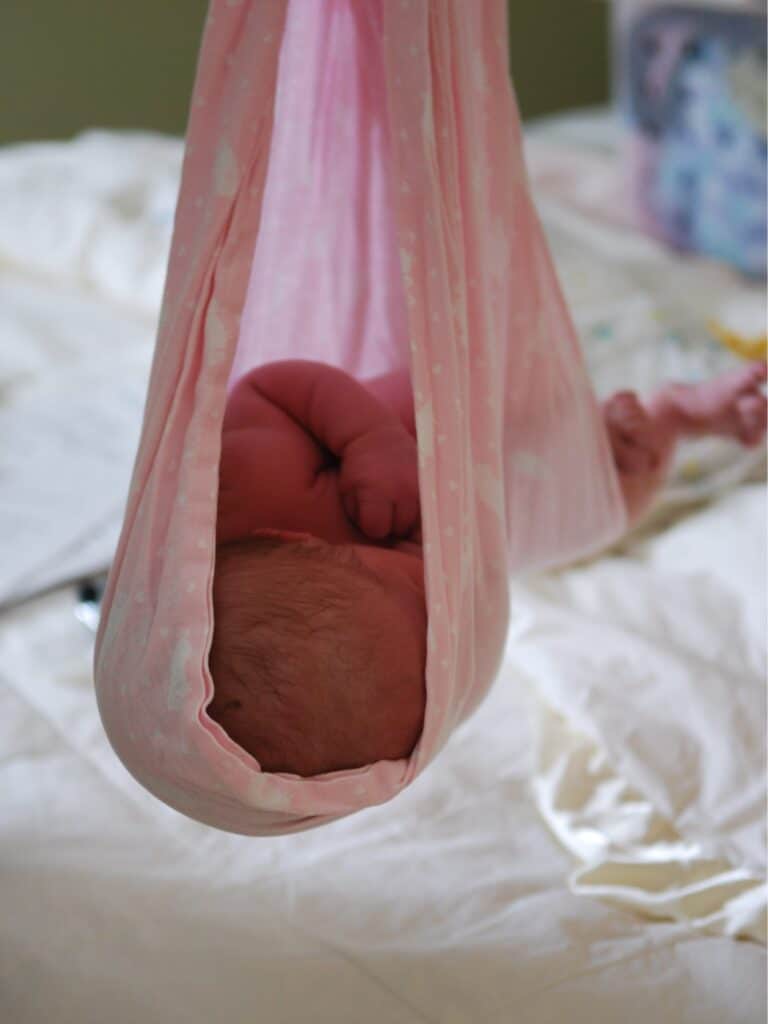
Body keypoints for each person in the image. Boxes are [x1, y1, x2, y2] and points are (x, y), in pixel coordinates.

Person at [208, 358, 767, 777]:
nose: (434, 574)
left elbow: (271, 387)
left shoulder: (247, 487)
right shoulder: (402, 625)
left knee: (545, 449)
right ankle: (673, 420)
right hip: (497, 490)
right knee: (596, 513)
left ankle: (642, 415)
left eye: (412, 583)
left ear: (298, 543)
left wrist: (368, 439)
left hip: (451, 396)